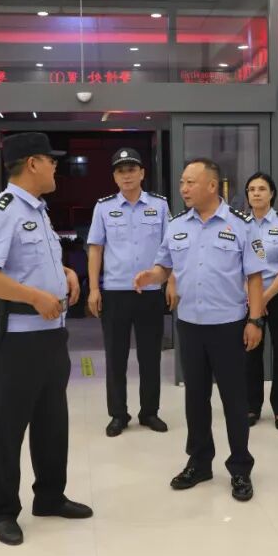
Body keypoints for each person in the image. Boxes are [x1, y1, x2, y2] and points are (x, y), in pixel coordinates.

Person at [0, 132, 91, 546]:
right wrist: (35, 296)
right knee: (7, 430)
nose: (56, 167)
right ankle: (3, 511)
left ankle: (50, 497)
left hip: (50, 338)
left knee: (52, 423)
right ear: (33, 163)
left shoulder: (38, 209)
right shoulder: (2, 210)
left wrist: (66, 274)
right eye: (51, 160)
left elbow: (33, 262)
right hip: (14, 341)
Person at [134, 158, 266, 502]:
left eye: (190, 182)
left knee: (234, 400)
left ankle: (240, 468)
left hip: (229, 326)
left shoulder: (241, 225)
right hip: (190, 326)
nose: (184, 188)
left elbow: (254, 278)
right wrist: (152, 275)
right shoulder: (177, 225)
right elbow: (164, 266)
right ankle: (199, 461)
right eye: (182, 182)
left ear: (211, 185)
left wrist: (255, 321)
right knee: (195, 398)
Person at [86, 147, 172, 437]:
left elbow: (170, 248)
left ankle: (150, 412)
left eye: (132, 169)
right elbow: (95, 249)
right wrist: (94, 289)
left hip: (150, 292)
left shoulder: (159, 206)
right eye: (121, 171)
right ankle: (118, 414)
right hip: (115, 293)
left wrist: (172, 282)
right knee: (116, 357)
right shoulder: (103, 208)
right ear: (114, 177)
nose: (127, 175)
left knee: (150, 356)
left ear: (142, 173)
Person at [243, 172, 278, 431]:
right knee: (250, 352)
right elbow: (236, 266)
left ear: (272, 194)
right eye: (252, 189)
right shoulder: (240, 225)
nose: (256, 193)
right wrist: (252, 298)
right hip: (248, 296)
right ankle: (251, 406)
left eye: (262, 189)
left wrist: (264, 297)